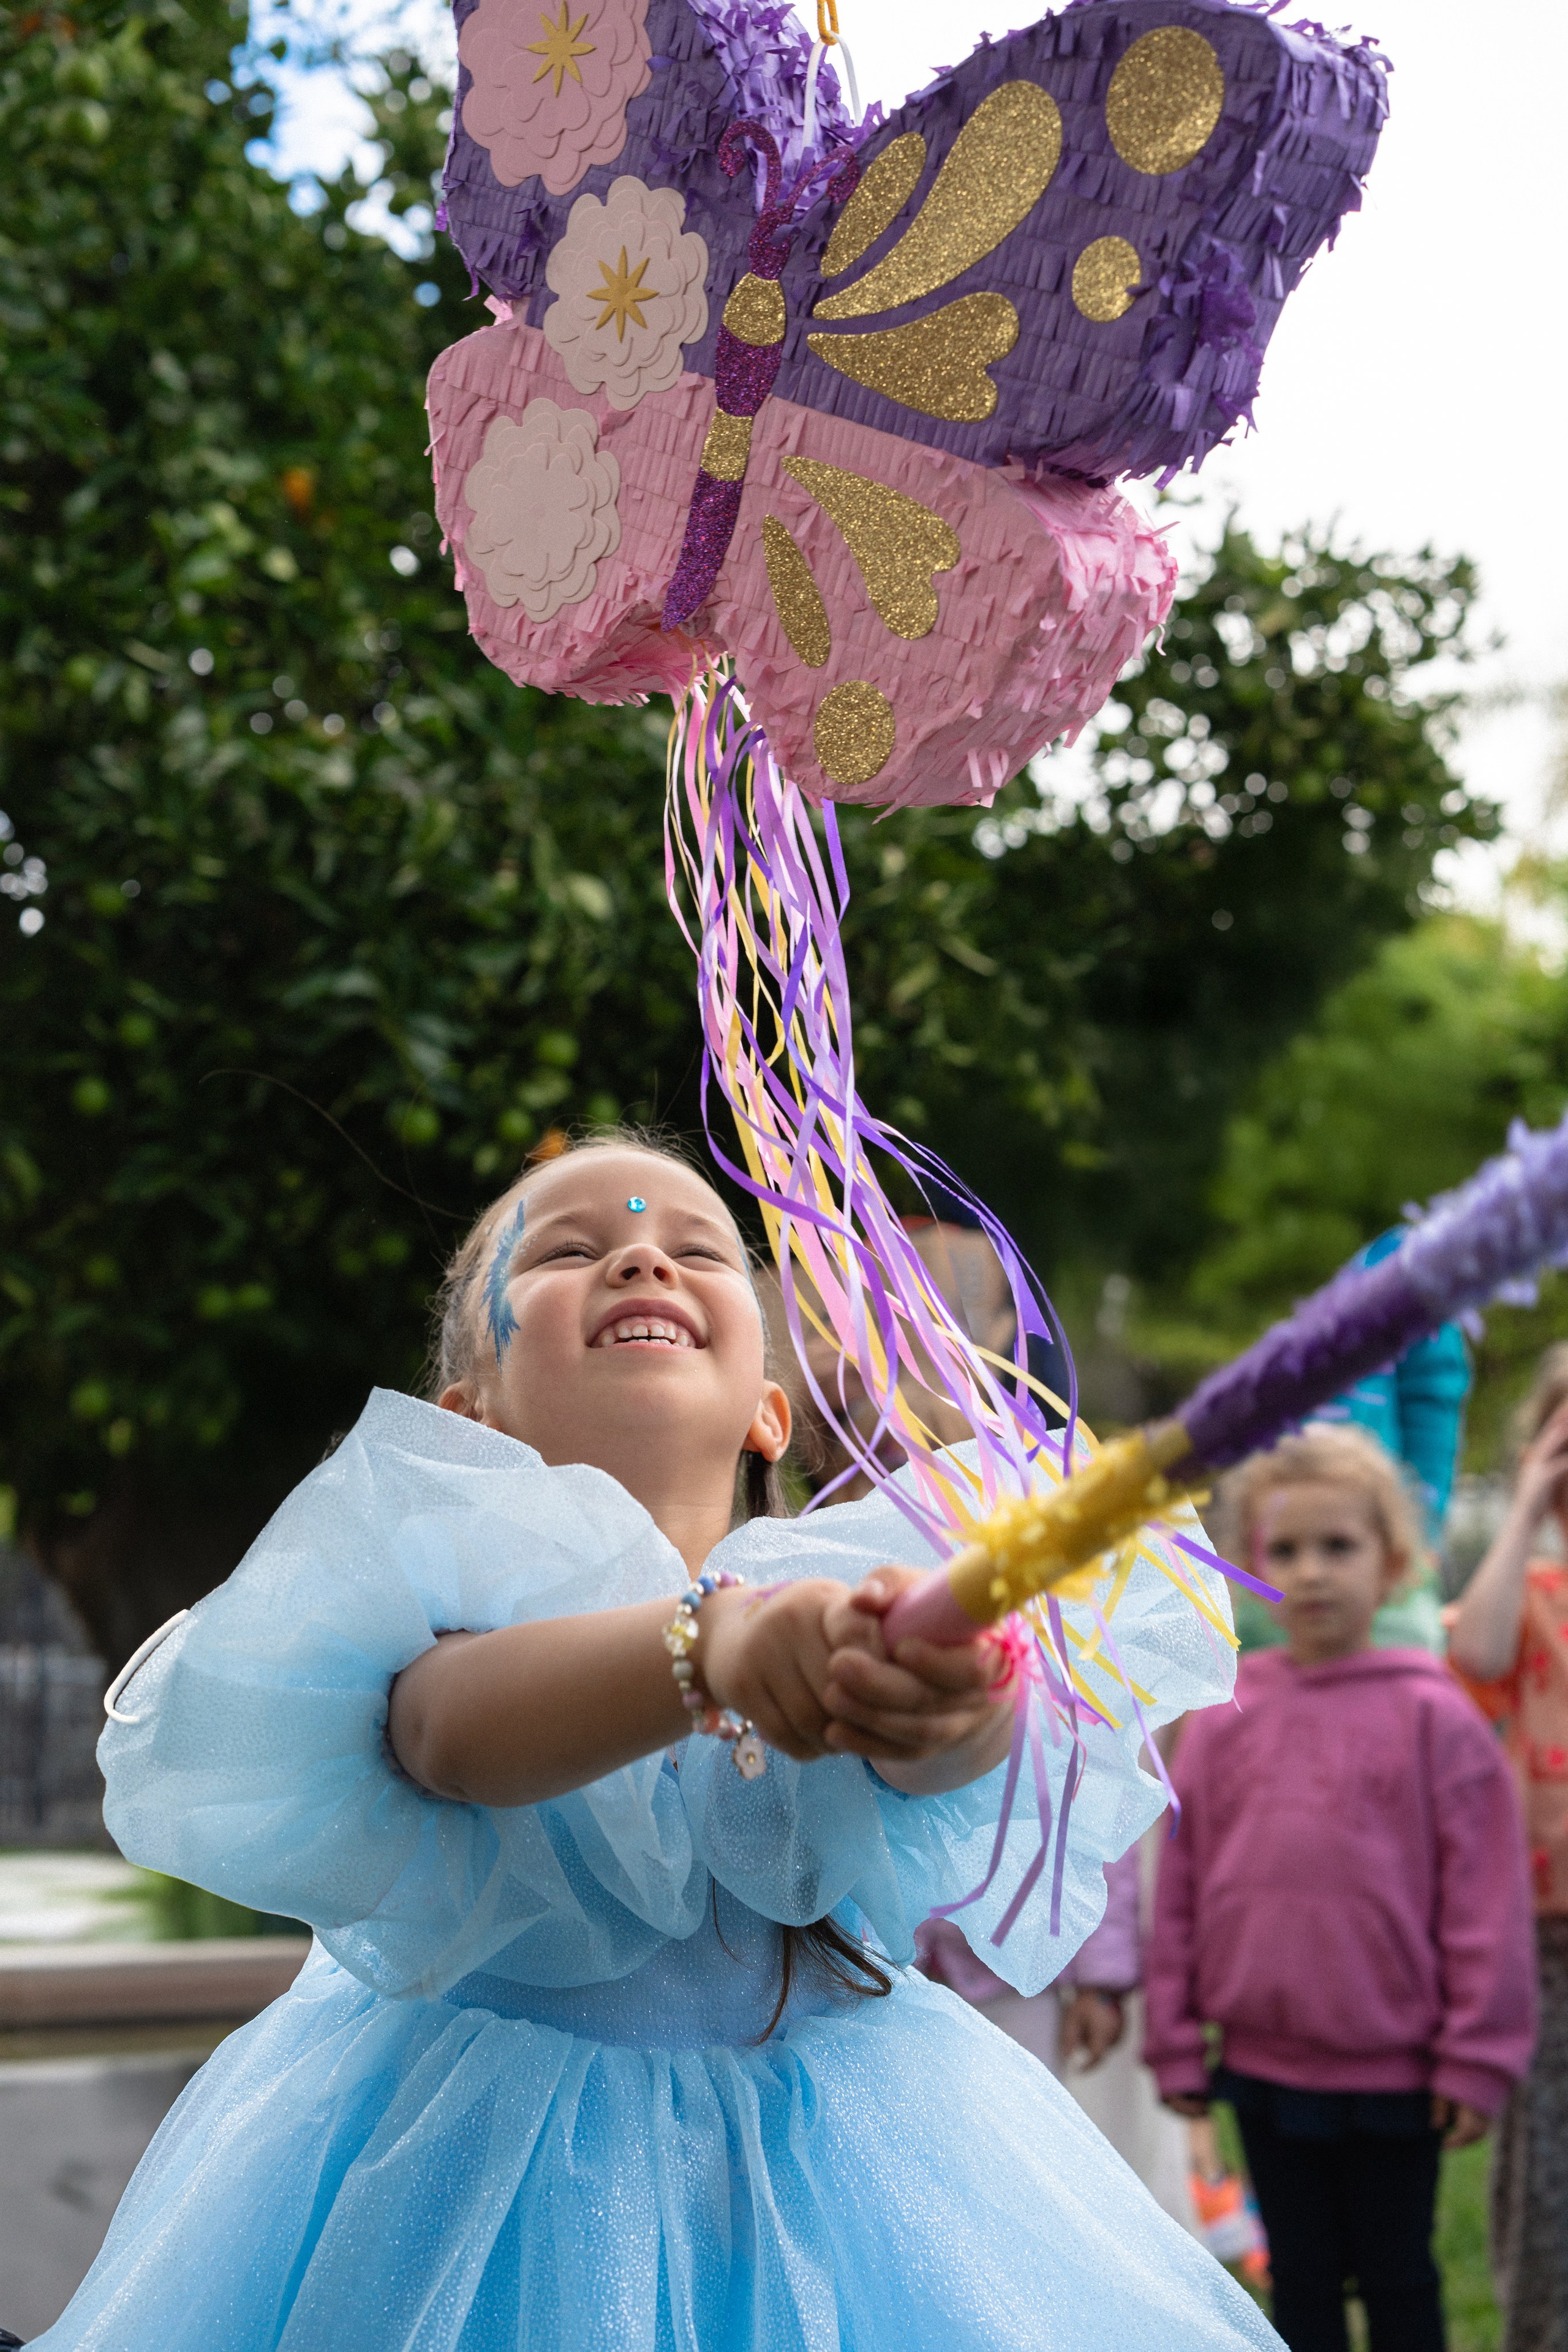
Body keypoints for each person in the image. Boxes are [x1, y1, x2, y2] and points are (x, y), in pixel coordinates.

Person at [36, 1133, 1278, 2352]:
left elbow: (930, 1782)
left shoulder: (848, 1581)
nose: (643, 1262)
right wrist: (712, 1649)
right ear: (468, 1415)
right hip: (481, 2196)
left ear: (768, 1415)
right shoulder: (434, 1604)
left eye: (698, 1250)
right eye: (569, 1249)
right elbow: (451, 1734)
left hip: (845, 2178)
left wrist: (954, 1709)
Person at [1145, 1422, 1537, 2352]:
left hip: (1396, 2073)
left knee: (1401, 2277)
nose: (1312, 1571)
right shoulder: (1226, 1718)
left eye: (1338, 1546)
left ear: (1394, 1562)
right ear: (1250, 1561)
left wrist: (1476, 2056)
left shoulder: (1433, 1714)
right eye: (1286, 1549)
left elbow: (1485, 1904)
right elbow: (1183, 1886)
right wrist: (1173, 2039)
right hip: (1263, 2070)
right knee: (1304, 2283)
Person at [1447, 1344, 1568, 2352]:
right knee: (1547, 2164)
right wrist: (1528, 1504)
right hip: (1550, 1928)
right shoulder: (1527, 1584)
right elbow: (1473, 1657)